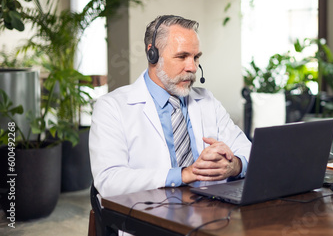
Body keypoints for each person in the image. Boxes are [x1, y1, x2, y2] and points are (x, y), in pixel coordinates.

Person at [89, 15, 252, 197]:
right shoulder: (112, 107)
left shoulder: (207, 101)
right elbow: (109, 180)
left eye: (196, 57)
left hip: (212, 211)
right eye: (182, 56)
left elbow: (250, 151)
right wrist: (184, 174)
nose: (192, 67)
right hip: (150, 215)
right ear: (153, 55)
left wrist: (234, 165)